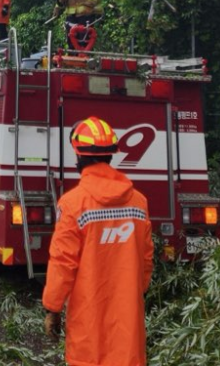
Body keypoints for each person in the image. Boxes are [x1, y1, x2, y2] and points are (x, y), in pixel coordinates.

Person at [42, 116, 154, 366]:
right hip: (128, 323)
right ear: (111, 155)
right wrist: (133, 292)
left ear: (78, 156)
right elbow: (146, 260)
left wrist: (53, 308)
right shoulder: (139, 202)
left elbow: (63, 263)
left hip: (88, 319)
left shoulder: (73, 205)